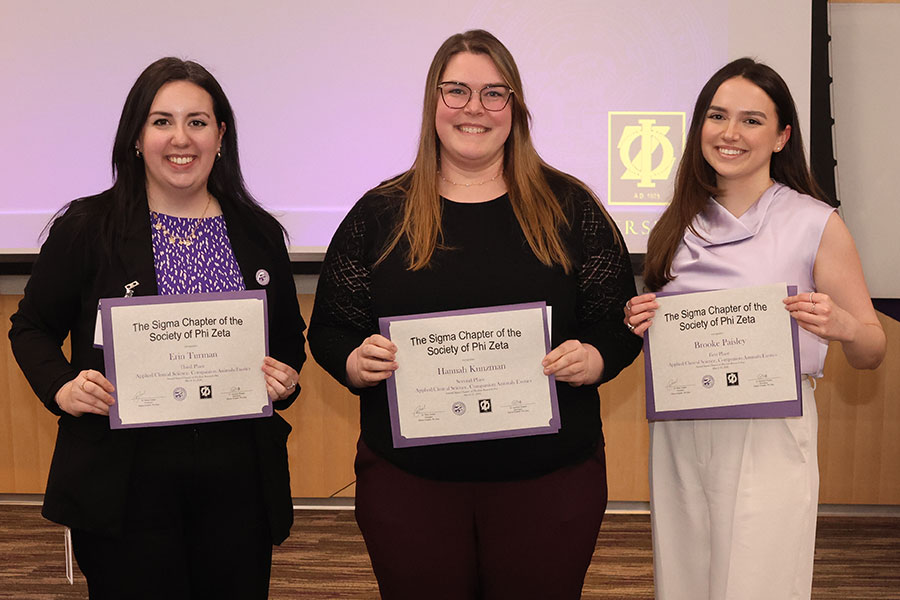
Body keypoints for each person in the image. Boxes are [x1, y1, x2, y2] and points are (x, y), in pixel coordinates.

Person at [307, 29, 642, 599]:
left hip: (548, 482)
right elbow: (333, 328)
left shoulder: (570, 206)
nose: (474, 109)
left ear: (515, 107)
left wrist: (596, 357)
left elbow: (616, 319)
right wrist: (355, 363)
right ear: (433, 103)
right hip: (411, 486)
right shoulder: (381, 213)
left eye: (494, 93)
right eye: (456, 90)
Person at [8, 58, 306, 599]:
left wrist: (284, 379)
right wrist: (61, 386)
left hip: (236, 483)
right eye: (162, 121)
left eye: (197, 121)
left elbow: (287, 342)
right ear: (137, 137)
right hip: (124, 484)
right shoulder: (87, 228)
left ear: (221, 135)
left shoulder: (259, 233)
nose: (180, 138)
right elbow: (30, 327)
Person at [625, 58, 886, 600]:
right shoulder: (674, 224)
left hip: (769, 430)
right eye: (717, 116)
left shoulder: (815, 221)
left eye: (751, 120)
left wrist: (841, 325)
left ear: (781, 136)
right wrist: (642, 320)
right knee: (686, 577)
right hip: (682, 428)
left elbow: (872, 349)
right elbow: (664, 326)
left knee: (759, 578)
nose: (729, 133)